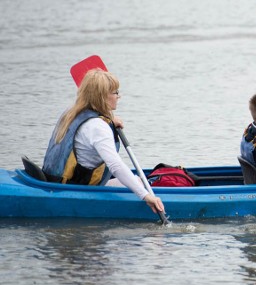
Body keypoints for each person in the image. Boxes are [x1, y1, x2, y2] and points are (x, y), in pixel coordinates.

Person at [42, 69, 166, 216]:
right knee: (138, 183)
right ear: (102, 96)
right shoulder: (97, 127)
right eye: (115, 92)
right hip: (77, 189)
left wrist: (109, 120)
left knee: (137, 179)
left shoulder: (72, 113)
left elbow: (89, 130)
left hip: (54, 182)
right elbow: (116, 166)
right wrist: (146, 196)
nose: (119, 96)